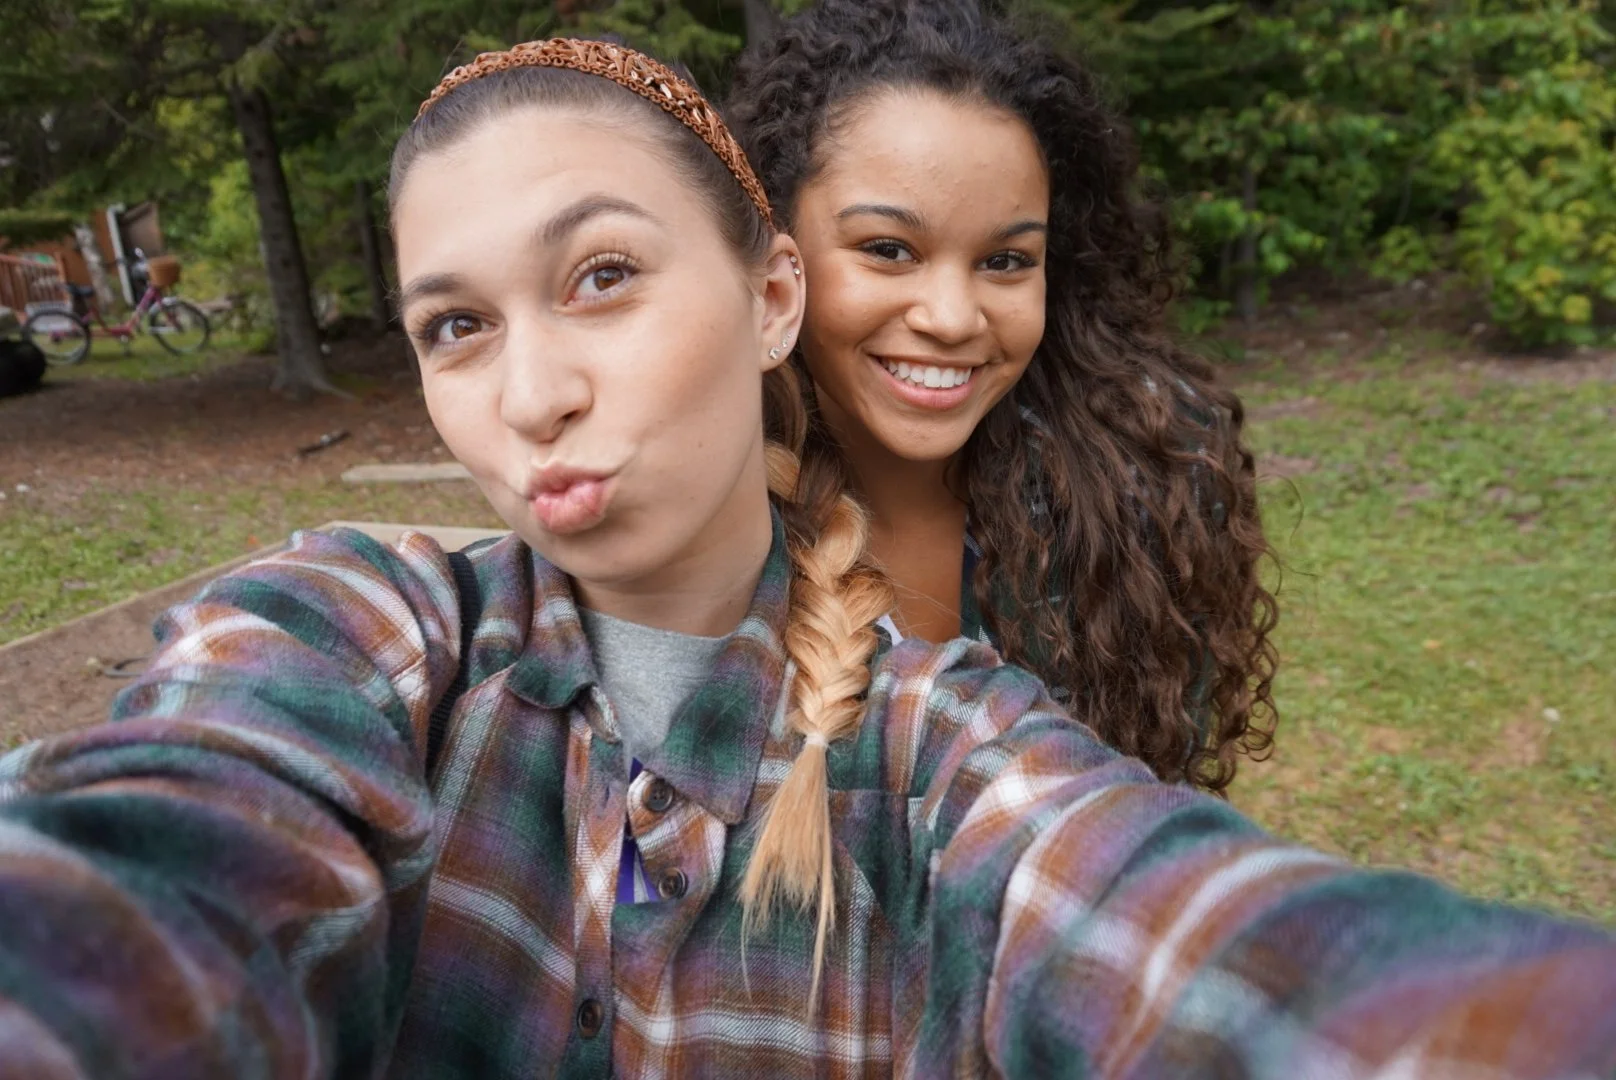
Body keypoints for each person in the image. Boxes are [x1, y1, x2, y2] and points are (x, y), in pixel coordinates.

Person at [0, 37, 1613, 1080]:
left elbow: (1159, 911)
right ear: (799, 280)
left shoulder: (1005, 659)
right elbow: (162, 846)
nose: (532, 389)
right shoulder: (380, 638)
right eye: (455, 326)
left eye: (607, 277)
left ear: (755, 293)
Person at [726, 0, 1276, 790]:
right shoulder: (692, 524)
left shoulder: (1142, 492)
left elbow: (1156, 808)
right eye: (888, 250)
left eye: (1007, 261)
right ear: (775, 258)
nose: (951, 318)